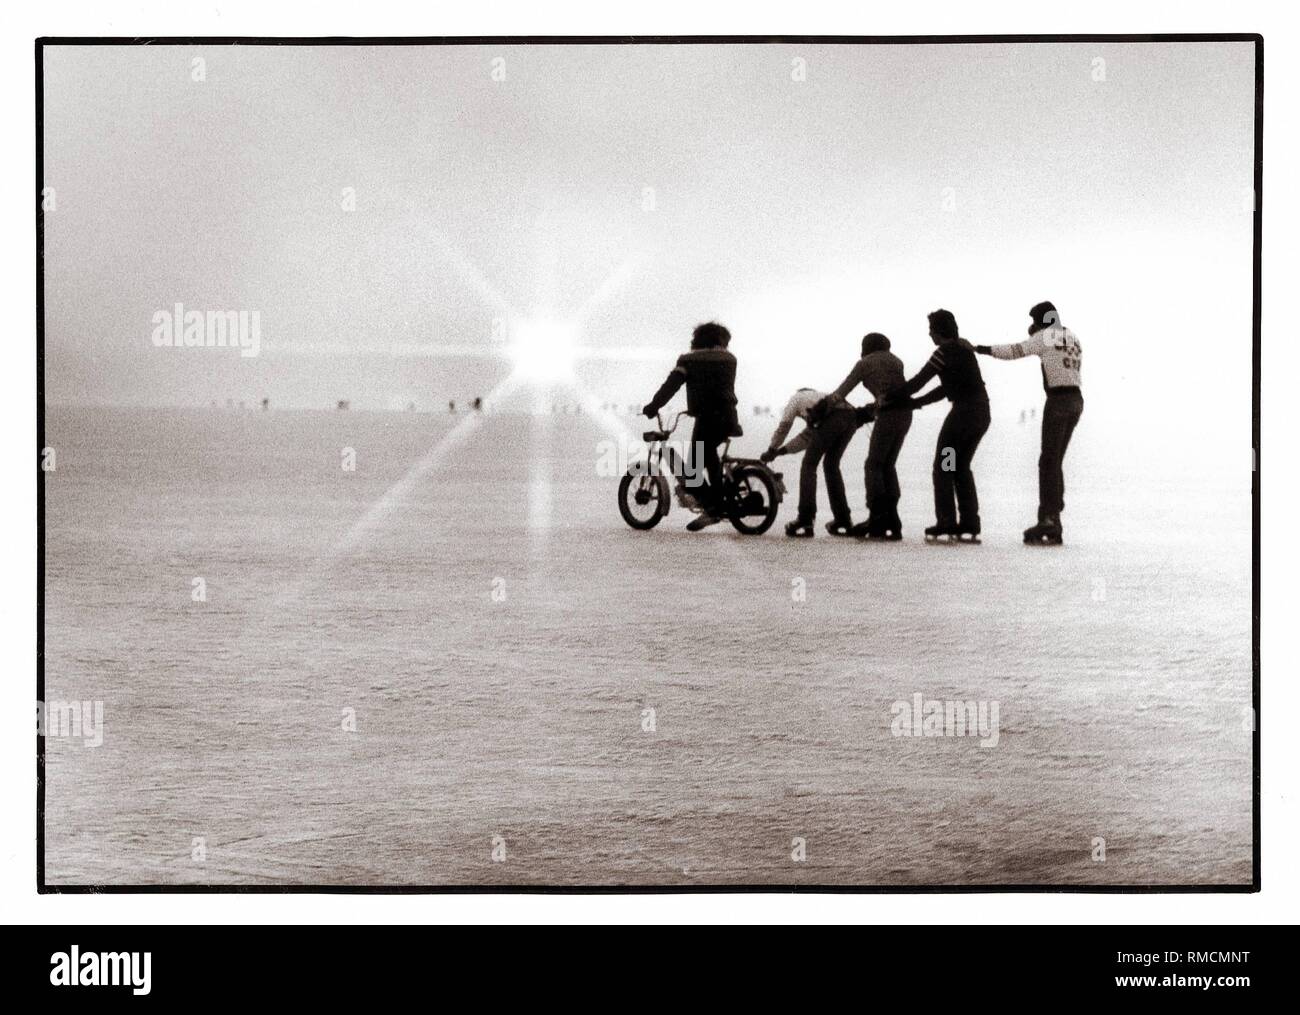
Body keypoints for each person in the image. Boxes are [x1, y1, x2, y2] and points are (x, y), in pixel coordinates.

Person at [974, 301, 1083, 544]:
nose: (1031, 325)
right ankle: (1055, 508)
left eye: (1034, 320)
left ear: (1042, 320)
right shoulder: (1072, 336)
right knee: (1055, 460)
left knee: (1047, 461)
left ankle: (1049, 518)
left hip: (1058, 401)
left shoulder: (1045, 336)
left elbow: (1014, 351)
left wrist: (981, 349)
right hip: (1076, 400)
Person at [890, 309, 990, 541]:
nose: (929, 335)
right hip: (982, 413)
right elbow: (946, 388)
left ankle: (946, 521)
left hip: (962, 415)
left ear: (937, 332)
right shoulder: (965, 352)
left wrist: (892, 397)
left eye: (930, 330)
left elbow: (917, 382)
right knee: (961, 466)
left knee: (944, 466)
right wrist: (917, 403)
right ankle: (969, 522)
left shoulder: (942, 353)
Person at [642, 322, 740, 531]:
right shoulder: (730, 360)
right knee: (708, 455)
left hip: (707, 418)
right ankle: (717, 503)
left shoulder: (689, 360)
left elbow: (671, 386)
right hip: (729, 418)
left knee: (692, 472)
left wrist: (653, 406)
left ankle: (712, 508)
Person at [831, 332, 912, 540]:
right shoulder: (897, 361)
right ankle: (893, 519)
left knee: (873, 464)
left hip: (888, 413)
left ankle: (877, 517)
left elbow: (842, 391)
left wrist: (822, 407)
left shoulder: (865, 363)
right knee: (888, 464)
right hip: (906, 414)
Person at [760, 388, 860, 537]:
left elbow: (784, 427)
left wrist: (772, 448)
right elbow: (808, 437)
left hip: (834, 419)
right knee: (831, 466)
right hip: (851, 418)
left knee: (809, 465)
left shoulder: (796, 398)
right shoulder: (820, 401)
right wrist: (781, 451)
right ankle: (843, 519)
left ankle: (805, 518)